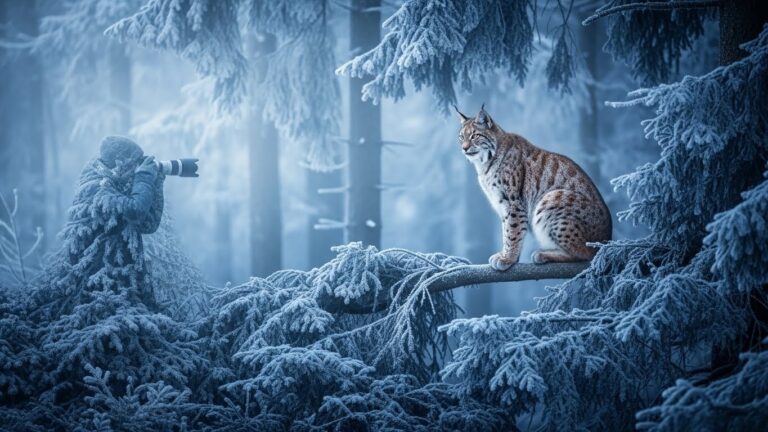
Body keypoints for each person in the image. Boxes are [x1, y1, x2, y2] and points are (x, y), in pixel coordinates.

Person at [32, 136, 166, 318]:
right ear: (119, 163)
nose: (136, 170)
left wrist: (155, 183)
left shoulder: (116, 184)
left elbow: (149, 224)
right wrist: (143, 178)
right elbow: (135, 210)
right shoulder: (96, 188)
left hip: (126, 282)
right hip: (96, 290)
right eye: (134, 164)